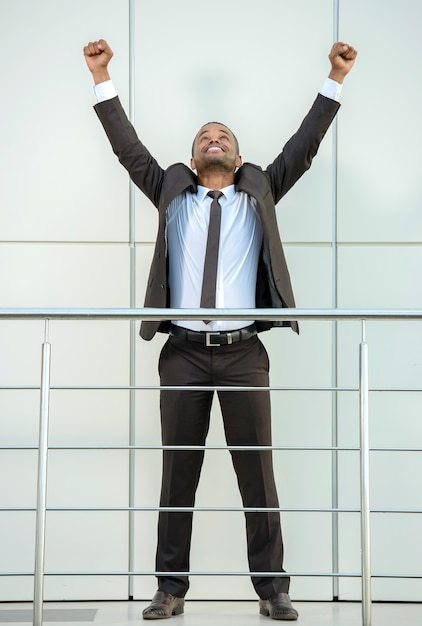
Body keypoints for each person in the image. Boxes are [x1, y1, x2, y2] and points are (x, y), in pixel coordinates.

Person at [83, 38, 357, 621]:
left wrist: (333, 78)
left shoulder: (259, 193)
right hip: (182, 352)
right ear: (190, 158)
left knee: (256, 471)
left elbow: (302, 148)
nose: (214, 138)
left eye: (224, 136)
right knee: (178, 469)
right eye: (205, 134)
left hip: (243, 354)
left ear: (236, 160)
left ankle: (272, 589)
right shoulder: (170, 195)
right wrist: (101, 77)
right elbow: (127, 149)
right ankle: (170, 588)